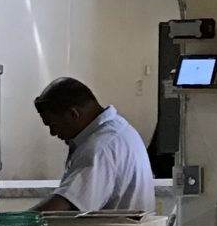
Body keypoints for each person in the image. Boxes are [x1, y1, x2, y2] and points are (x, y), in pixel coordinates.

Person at [29, 79, 154, 216]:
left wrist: (16, 222)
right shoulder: (118, 128)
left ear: (73, 114)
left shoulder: (100, 148)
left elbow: (67, 203)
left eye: (52, 124)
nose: (53, 133)